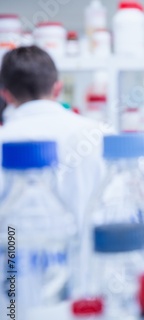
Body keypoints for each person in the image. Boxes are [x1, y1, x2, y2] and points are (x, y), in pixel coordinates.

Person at [0, 45, 114, 230]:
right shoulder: (101, 134)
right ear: (58, 88)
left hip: (15, 256)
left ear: (6, 95)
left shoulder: (4, 139)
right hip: (97, 257)